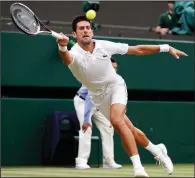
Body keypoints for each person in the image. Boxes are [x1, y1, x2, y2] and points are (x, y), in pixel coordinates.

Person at [56, 15, 187, 177]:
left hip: (115, 86)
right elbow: (67, 59)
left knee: (117, 121)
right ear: (74, 35)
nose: (85, 31)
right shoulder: (73, 52)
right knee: (129, 129)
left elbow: (137, 50)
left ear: (92, 31)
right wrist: (62, 47)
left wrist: (166, 47)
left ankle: (138, 168)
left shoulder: (104, 46)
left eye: (88, 28)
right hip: (98, 97)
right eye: (81, 28)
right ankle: (158, 150)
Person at [74, 58, 122, 169]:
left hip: (99, 105)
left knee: (108, 128)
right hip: (83, 102)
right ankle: (81, 162)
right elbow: (89, 99)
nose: (114, 70)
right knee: (86, 128)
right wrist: (86, 120)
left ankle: (108, 161)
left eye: (115, 68)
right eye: (112, 67)